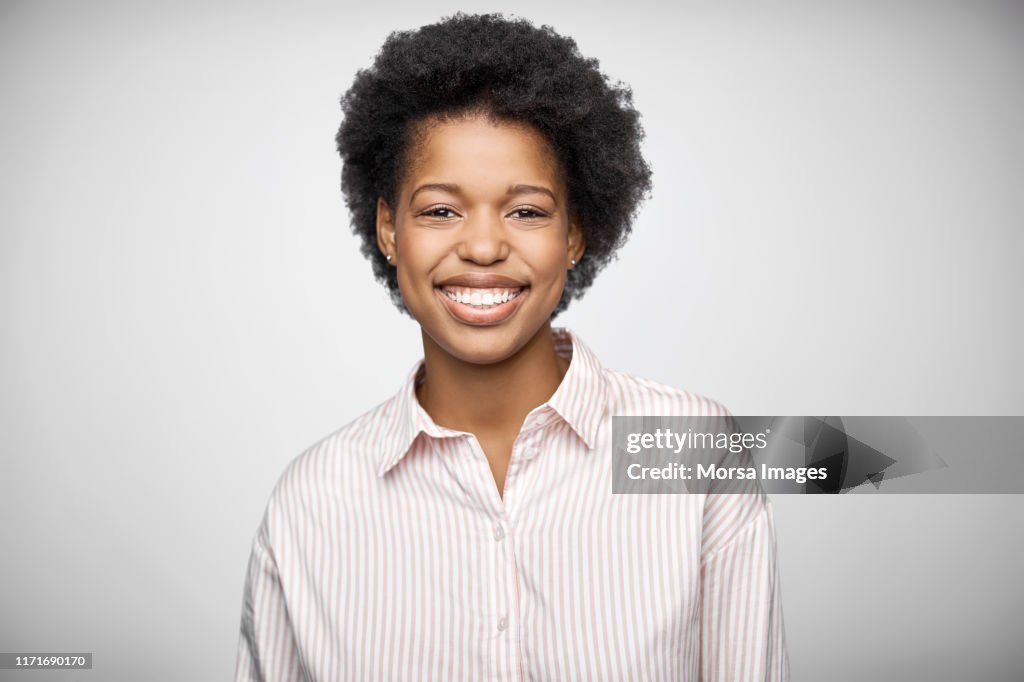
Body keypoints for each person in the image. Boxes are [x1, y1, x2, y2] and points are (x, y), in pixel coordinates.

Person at [234, 13, 789, 681]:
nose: (485, 247)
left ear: (575, 234)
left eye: (526, 210)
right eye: (440, 210)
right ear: (388, 229)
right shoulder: (310, 503)